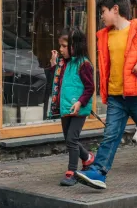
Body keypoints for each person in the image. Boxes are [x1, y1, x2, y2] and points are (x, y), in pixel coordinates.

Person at [75, 0, 137, 190]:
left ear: (115, 9)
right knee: (110, 135)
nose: (101, 16)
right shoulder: (104, 36)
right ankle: (99, 172)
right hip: (116, 96)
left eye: (103, 11)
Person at [47, 28, 95, 186]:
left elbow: (90, 88)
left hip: (78, 109)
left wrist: (80, 102)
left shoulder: (84, 64)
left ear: (75, 46)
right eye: (60, 46)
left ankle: (72, 172)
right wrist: (54, 65)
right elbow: (59, 79)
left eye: (64, 46)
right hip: (65, 108)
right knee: (69, 139)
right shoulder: (63, 63)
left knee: (71, 140)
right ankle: (88, 158)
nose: (60, 49)